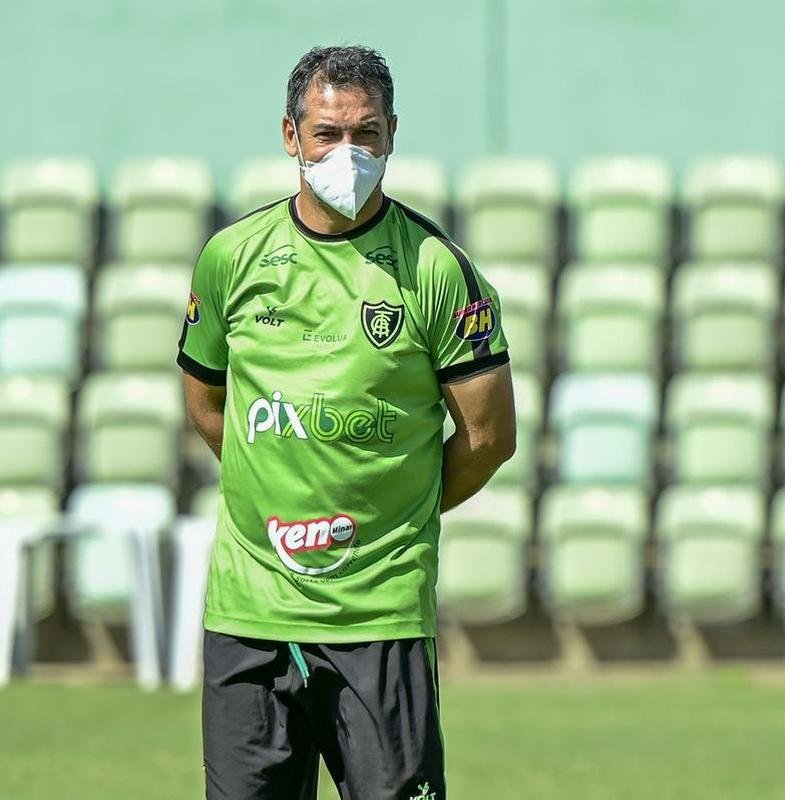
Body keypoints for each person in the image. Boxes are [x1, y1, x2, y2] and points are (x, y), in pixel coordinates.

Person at [178, 44, 516, 800]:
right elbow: (206, 401)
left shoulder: (436, 270)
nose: (347, 152)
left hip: (379, 611)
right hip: (251, 607)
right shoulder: (230, 259)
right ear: (291, 136)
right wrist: (272, 492)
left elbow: (490, 437)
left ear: (392, 133)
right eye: (328, 134)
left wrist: (390, 513)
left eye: (365, 134)